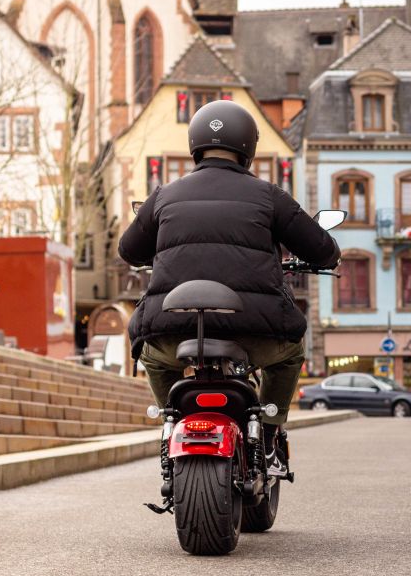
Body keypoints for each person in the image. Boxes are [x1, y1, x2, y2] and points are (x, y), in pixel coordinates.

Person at [119, 100, 340, 477]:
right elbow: (324, 251)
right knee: (290, 353)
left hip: (173, 332)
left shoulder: (164, 195)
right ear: (248, 148)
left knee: (153, 358)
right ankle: (270, 432)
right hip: (257, 332)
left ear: (195, 145)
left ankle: (171, 423)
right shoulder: (269, 195)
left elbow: (128, 250)